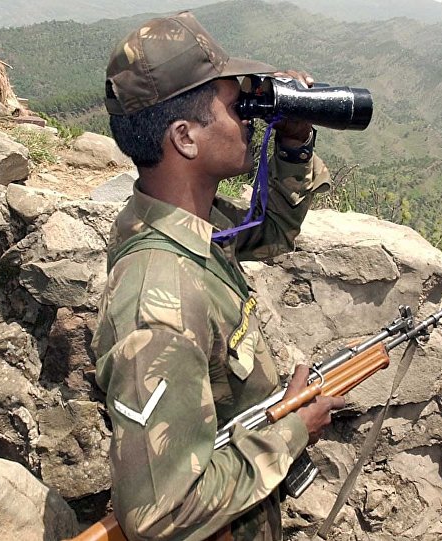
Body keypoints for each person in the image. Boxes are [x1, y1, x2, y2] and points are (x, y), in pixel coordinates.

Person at [92, 11, 346, 541]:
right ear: (185, 137)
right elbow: (160, 514)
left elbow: (272, 227)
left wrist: (294, 139)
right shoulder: (158, 296)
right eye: (236, 109)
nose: (249, 121)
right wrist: (294, 430)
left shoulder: (183, 222)